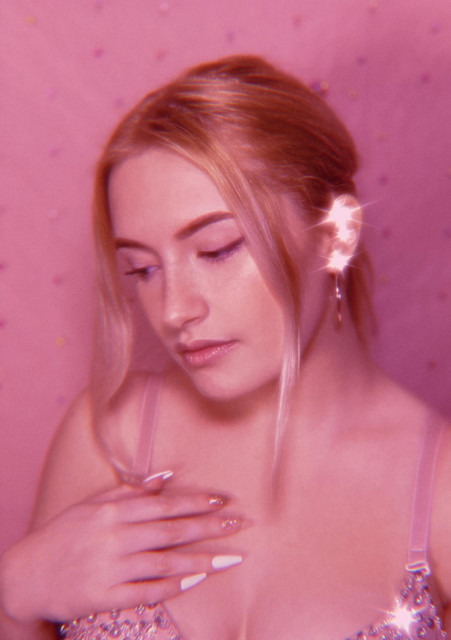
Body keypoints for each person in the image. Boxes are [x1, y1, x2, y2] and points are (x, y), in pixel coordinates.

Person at [1, 55, 450, 640]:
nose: (173, 310)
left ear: (337, 234)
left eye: (217, 250)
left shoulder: (439, 492)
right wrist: (16, 592)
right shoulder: (106, 438)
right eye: (142, 269)